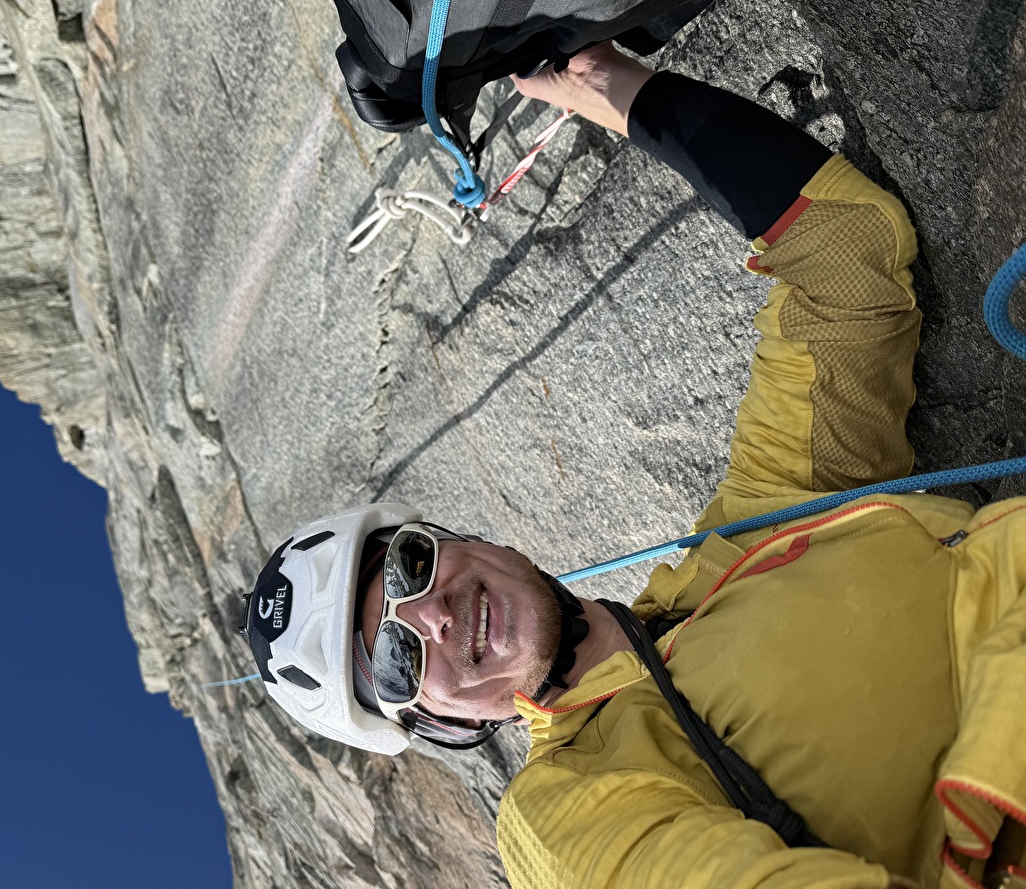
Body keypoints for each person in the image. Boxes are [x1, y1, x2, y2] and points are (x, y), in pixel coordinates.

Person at [239, 44, 1026, 888]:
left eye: (408, 563)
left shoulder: (748, 541)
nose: (429, 613)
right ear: (435, 720)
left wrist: (618, 91)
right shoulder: (564, 817)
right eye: (397, 657)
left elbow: (844, 264)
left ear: (462, 537)